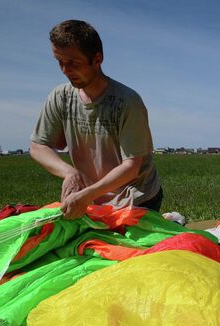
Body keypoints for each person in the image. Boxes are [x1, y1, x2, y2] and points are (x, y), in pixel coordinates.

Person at [30, 19, 162, 219]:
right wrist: (69, 173)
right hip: (92, 199)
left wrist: (88, 194)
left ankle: (170, 220)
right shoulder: (60, 97)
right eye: (60, 62)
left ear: (97, 59)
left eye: (73, 63)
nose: (66, 70)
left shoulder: (127, 102)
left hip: (135, 198)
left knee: (126, 249)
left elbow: (131, 167)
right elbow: (38, 146)